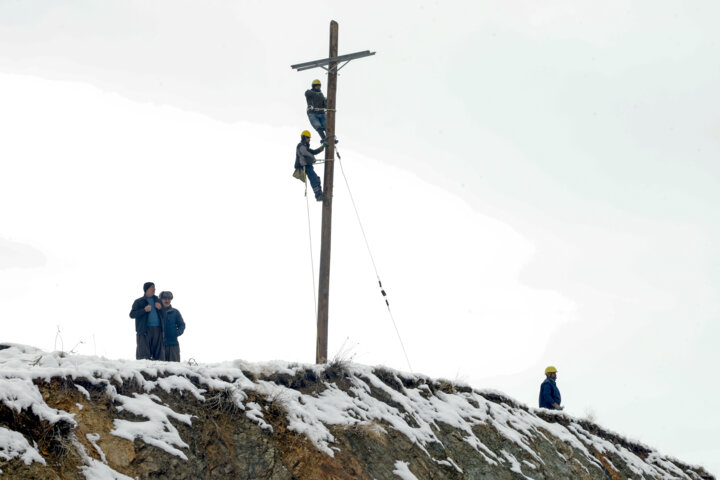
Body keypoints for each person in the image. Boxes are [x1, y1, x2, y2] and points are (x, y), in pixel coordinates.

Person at [129, 282, 164, 360]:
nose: (154, 289)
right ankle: (145, 371)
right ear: (146, 289)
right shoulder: (138, 301)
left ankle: (159, 371)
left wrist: (161, 308)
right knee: (143, 355)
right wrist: (144, 310)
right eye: (152, 287)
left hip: (158, 330)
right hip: (144, 330)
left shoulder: (158, 301)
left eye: (154, 287)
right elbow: (132, 314)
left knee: (159, 355)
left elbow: (165, 315)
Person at [294, 130, 327, 201]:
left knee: (317, 178)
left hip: (308, 166)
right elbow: (305, 152)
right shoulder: (301, 146)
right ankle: (318, 196)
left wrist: (322, 147)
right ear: (304, 137)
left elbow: (314, 152)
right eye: (308, 138)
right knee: (314, 179)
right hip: (305, 166)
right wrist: (313, 158)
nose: (309, 140)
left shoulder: (306, 147)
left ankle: (320, 194)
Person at [159, 291, 185, 362]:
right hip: (159, 345)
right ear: (160, 299)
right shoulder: (157, 312)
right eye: (165, 299)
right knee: (160, 368)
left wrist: (176, 333)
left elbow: (182, 324)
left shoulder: (175, 312)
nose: (167, 301)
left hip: (173, 345)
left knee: (175, 368)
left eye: (169, 299)